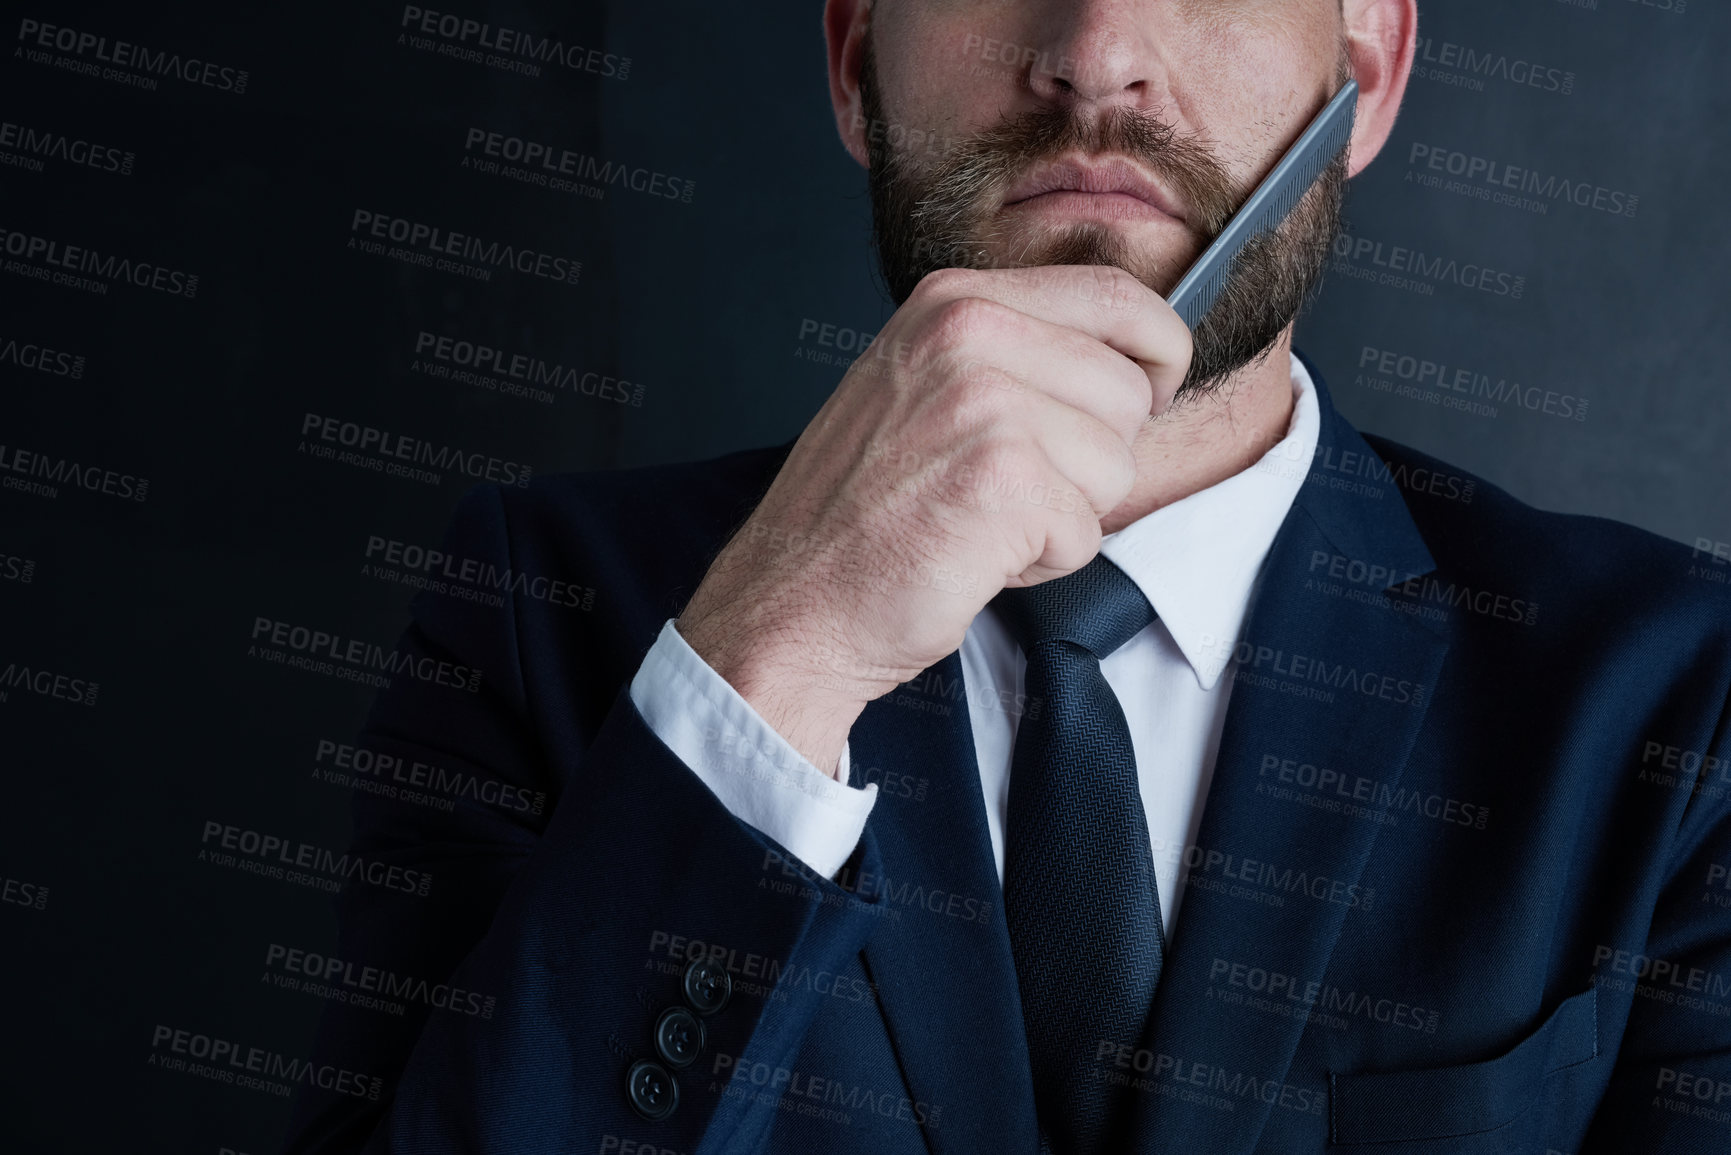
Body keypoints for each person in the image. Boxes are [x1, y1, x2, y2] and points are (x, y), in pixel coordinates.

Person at [284, 1, 1731, 1152]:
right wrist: (778, 654)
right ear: (857, 62)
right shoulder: (539, 613)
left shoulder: (1680, 698)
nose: (1098, 56)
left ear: (1368, 65)